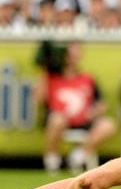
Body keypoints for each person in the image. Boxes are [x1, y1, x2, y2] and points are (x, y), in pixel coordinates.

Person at [34, 41, 116, 173]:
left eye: (77, 52)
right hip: (59, 121)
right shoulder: (51, 77)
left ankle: (79, 155)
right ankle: (52, 158)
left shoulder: (87, 78)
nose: (73, 56)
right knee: (57, 119)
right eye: (70, 52)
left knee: (108, 125)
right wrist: (44, 69)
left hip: (83, 120)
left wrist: (94, 112)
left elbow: (101, 104)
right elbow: (37, 100)